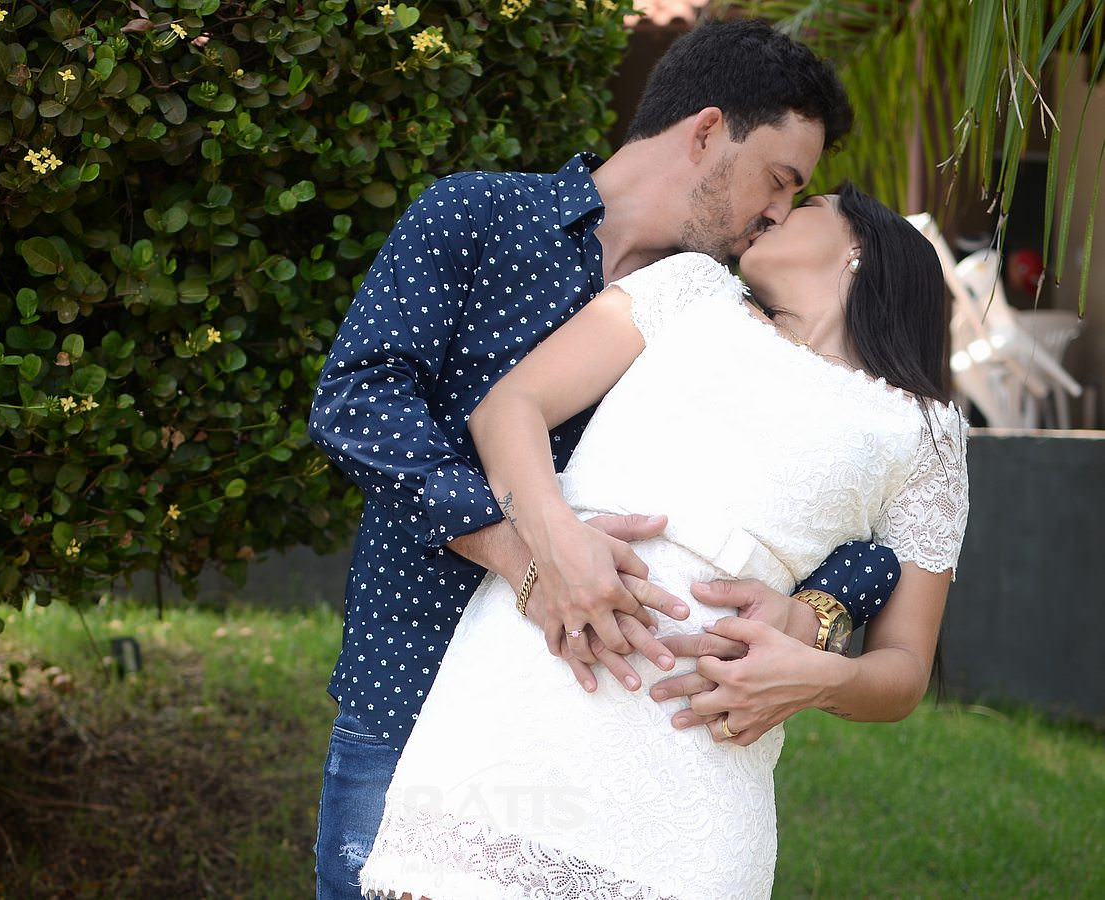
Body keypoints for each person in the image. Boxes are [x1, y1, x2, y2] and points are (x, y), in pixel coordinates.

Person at [308, 20, 898, 897]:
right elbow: (359, 400)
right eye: (778, 179)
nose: (778, 213)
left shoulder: (725, 316)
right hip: (413, 678)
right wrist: (526, 552)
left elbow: (858, 501)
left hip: (593, 733)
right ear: (706, 132)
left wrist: (812, 613)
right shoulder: (477, 213)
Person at [359, 184, 970, 898]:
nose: (774, 211)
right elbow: (509, 407)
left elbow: (903, 671)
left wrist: (815, 677)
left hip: (704, 751)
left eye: (807, 205)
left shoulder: (926, 433)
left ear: (860, 250)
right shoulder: (690, 289)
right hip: (536, 678)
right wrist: (554, 541)